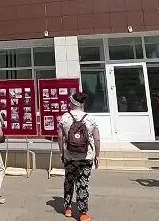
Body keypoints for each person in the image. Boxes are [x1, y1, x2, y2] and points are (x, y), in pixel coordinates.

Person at [58, 92, 100, 221]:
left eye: (70, 101)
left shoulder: (65, 118)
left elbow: (60, 137)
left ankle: (68, 209)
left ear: (73, 103)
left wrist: (62, 152)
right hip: (86, 156)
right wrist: (97, 155)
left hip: (70, 156)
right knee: (83, 183)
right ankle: (83, 213)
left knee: (69, 181)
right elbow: (97, 139)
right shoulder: (90, 118)